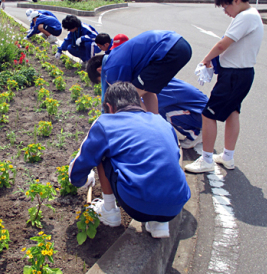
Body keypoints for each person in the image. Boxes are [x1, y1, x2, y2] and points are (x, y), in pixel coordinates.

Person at [68, 82, 191, 238]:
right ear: (138, 101)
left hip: (138, 206)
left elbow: (78, 169)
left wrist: (84, 181)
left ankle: (109, 211)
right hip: (176, 205)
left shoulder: (106, 123)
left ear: (110, 107)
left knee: (103, 153)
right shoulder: (161, 122)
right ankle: (159, 224)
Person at [185, 0, 264, 173]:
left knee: (208, 114)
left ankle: (206, 160)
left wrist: (206, 59)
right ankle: (227, 157)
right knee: (232, 112)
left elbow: (223, 45)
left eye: (226, 6)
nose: (226, 11)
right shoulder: (252, 16)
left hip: (234, 76)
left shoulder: (245, 17)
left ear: (236, 0)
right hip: (241, 74)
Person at [86, 30, 192, 114]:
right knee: (146, 89)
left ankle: (149, 128)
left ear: (99, 70)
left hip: (168, 50)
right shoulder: (116, 56)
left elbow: (129, 96)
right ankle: (155, 122)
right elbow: (148, 91)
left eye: (101, 80)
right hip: (177, 43)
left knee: (128, 97)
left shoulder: (110, 69)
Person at [158, 78, 208, 149]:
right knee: (160, 107)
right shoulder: (162, 80)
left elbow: (146, 107)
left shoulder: (162, 88)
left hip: (201, 116)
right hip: (199, 112)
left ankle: (196, 134)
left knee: (162, 110)